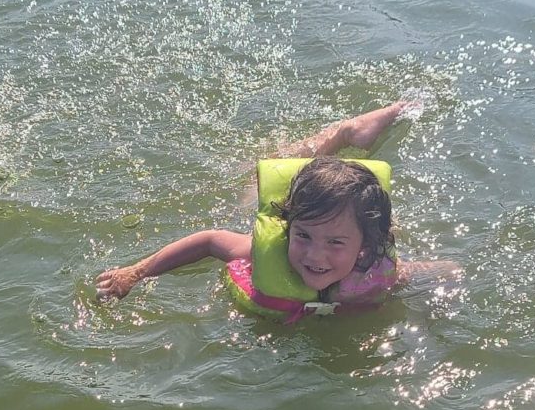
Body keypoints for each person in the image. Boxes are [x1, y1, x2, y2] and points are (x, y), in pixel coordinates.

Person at [95, 102, 459, 316]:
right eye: (303, 235)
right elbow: (208, 241)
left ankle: (351, 134)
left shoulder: (377, 271)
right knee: (256, 180)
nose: (314, 254)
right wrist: (137, 272)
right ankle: (345, 133)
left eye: (335, 243)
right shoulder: (268, 250)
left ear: (364, 247)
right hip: (284, 202)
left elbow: (448, 272)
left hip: (349, 219)